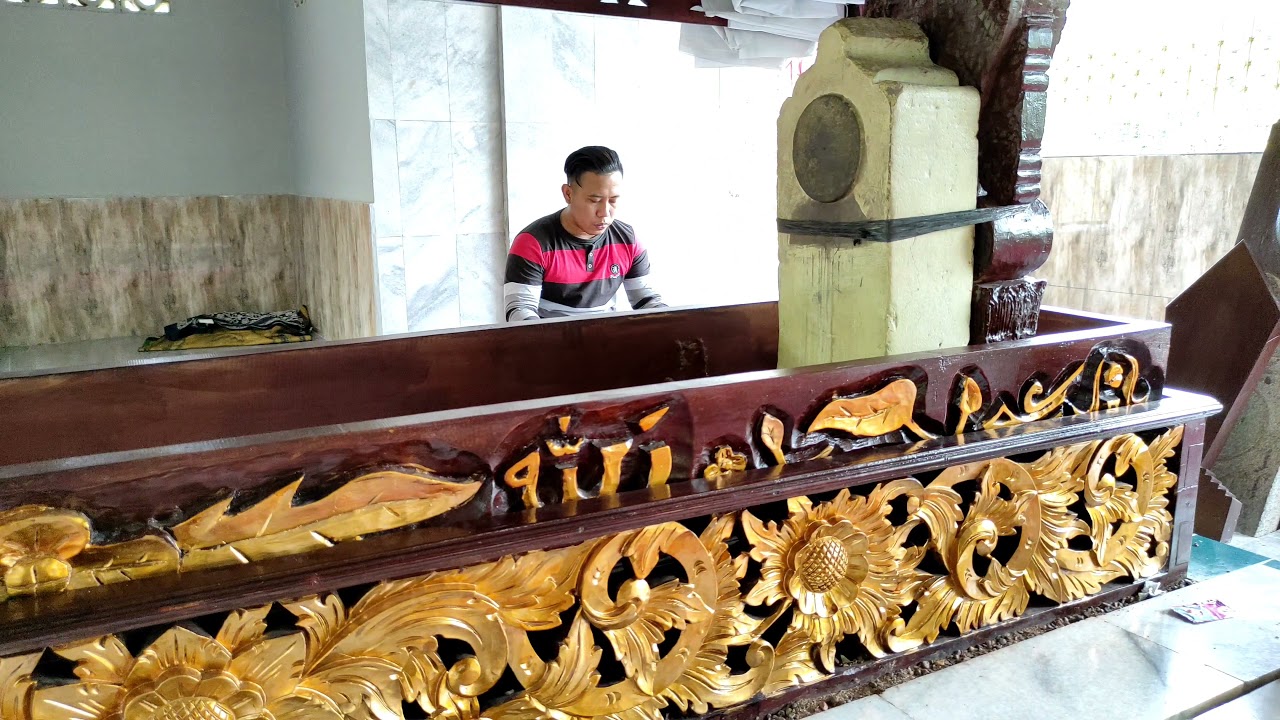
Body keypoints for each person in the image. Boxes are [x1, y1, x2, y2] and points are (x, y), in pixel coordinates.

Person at [504, 146, 664, 321]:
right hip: (548, 341)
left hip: (608, 340)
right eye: (594, 200)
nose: (604, 212)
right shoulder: (534, 243)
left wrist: (674, 324)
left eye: (613, 200)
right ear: (568, 194)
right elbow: (520, 311)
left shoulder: (627, 240)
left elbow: (646, 300)